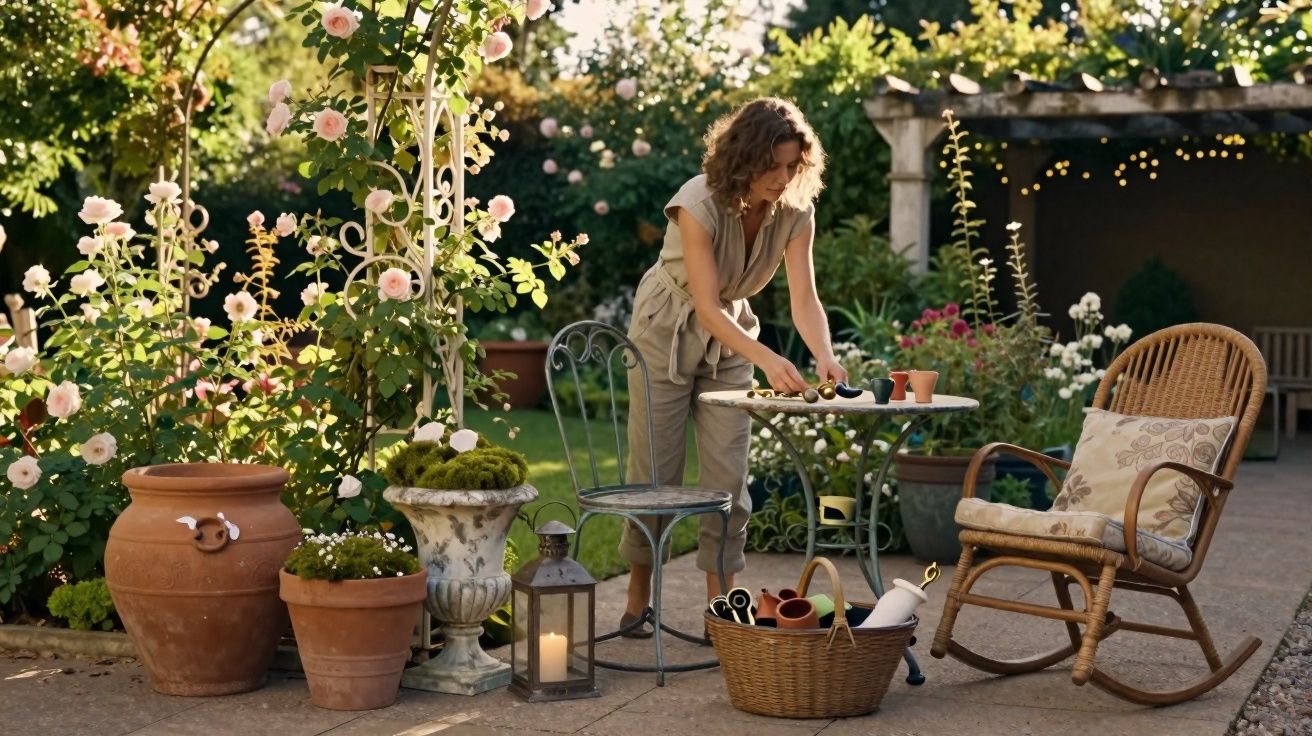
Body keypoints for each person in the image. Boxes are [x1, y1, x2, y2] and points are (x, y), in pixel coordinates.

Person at [619, 97, 847, 637]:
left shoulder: (795, 213)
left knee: (729, 480)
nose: (783, 177)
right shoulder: (697, 204)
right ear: (744, 158)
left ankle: (721, 611)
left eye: (793, 165)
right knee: (655, 477)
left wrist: (825, 355)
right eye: (773, 165)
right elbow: (705, 306)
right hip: (665, 330)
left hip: (730, 342)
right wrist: (767, 358)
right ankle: (636, 598)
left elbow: (804, 300)